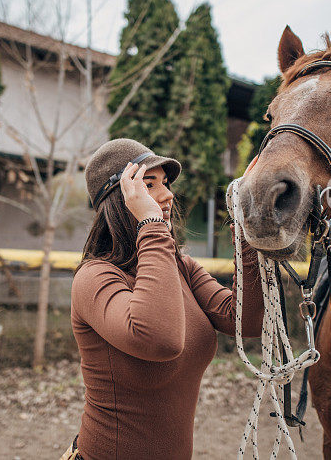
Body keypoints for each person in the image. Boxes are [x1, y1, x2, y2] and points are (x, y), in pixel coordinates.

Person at [62, 139, 264, 460]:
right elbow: (161, 340)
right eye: (148, 184)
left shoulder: (179, 266)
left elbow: (249, 321)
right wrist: (153, 225)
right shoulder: (94, 278)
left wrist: (247, 236)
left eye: (166, 184)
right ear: (119, 199)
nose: (167, 195)